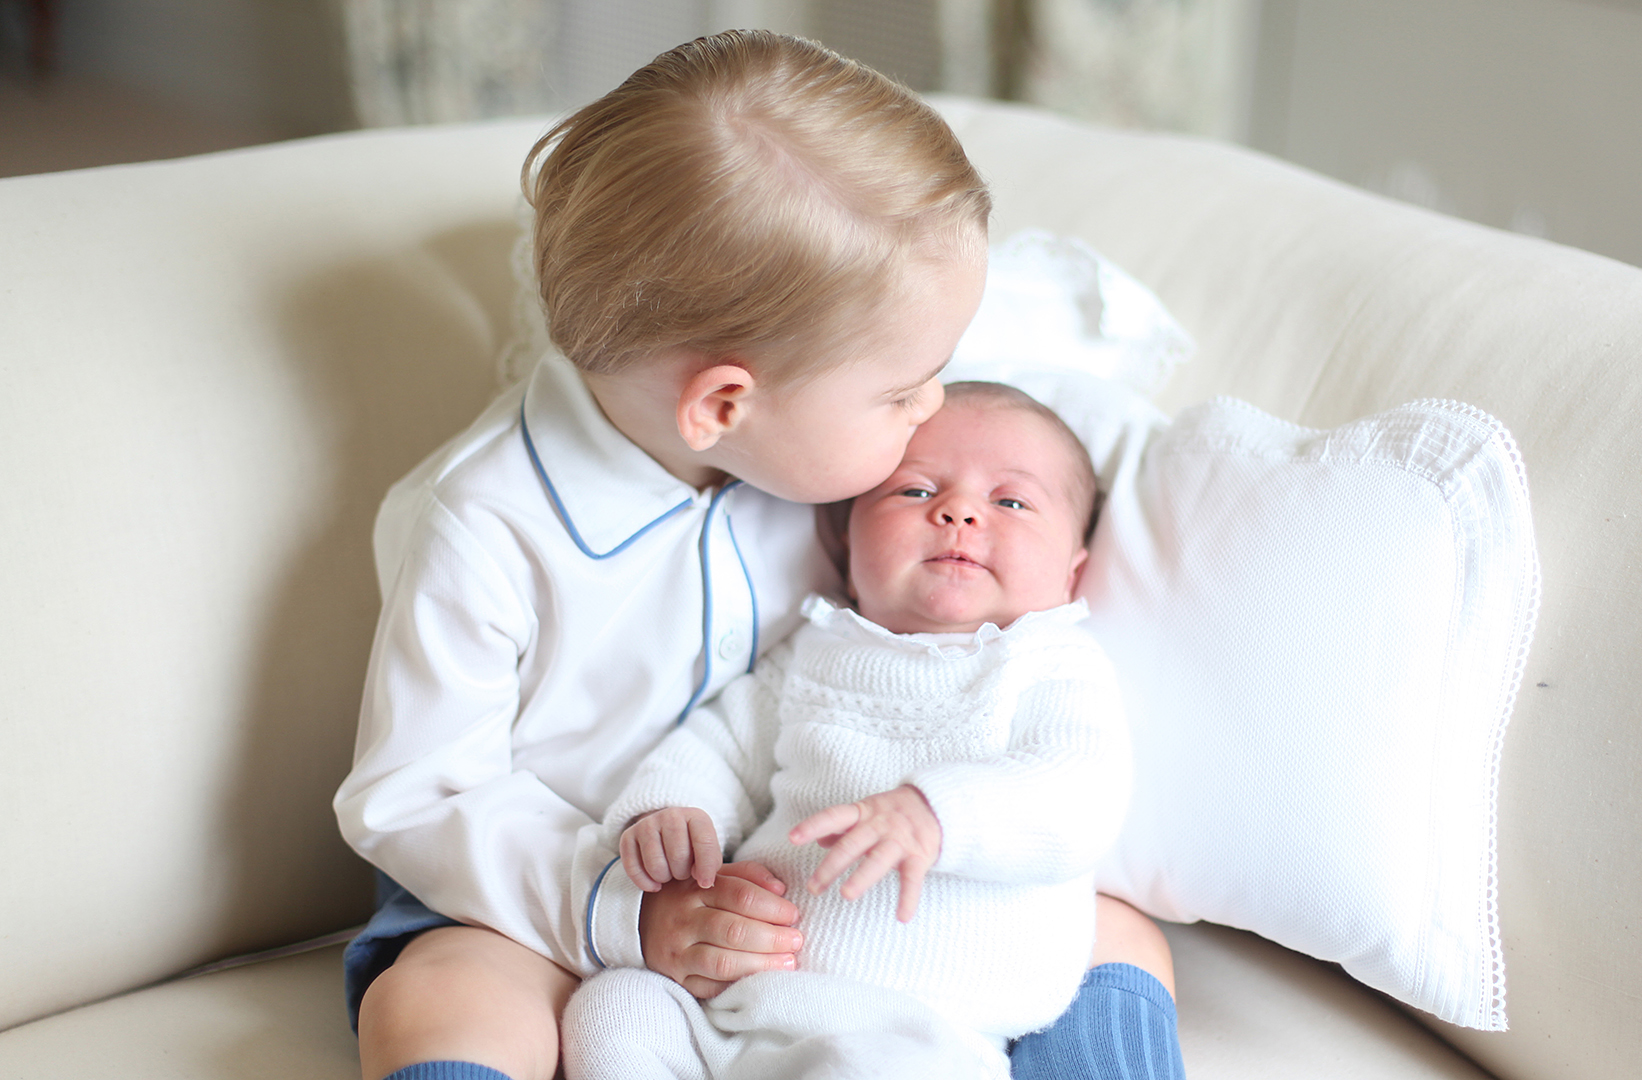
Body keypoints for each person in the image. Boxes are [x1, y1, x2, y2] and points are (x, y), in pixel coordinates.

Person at [333, 30, 1183, 1080]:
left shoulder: (823, 458)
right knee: (446, 996)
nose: (931, 410)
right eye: (903, 390)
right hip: (544, 899)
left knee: (1119, 934)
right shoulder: (483, 525)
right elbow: (416, 795)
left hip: (817, 902)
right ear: (724, 403)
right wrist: (624, 913)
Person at [562, 383, 1135, 1079]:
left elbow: (1080, 794)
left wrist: (937, 814)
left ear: (1073, 572)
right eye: (914, 492)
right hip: (740, 1007)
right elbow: (723, 743)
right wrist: (672, 811)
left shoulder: (1050, 663)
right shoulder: (818, 646)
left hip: (920, 1035)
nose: (957, 511)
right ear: (846, 536)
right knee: (615, 1005)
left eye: (1010, 501)